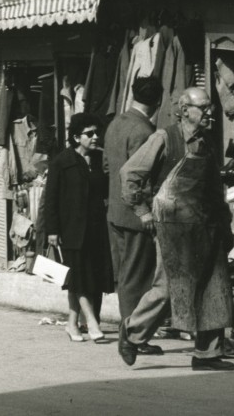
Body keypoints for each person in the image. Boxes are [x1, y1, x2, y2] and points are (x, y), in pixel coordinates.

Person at [117, 87, 234, 371]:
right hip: (173, 228)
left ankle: (208, 354)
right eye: (203, 108)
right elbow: (130, 175)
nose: (210, 113)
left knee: (213, 287)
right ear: (184, 110)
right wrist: (143, 213)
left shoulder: (206, 142)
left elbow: (213, 189)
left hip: (206, 224)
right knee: (169, 289)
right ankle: (132, 334)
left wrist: (225, 225)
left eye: (210, 108)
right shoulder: (164, 138)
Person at [103, 75, 165, 356]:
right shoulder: (144, 131)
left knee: (126, 274)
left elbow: (107, 164)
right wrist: (144, 210)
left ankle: (131, 333)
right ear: (158, 102)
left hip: (116, 211)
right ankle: (132, 335)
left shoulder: (116, 123)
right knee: (137, 277)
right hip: (136, 214)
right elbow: (141, 178)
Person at [43, 112, 112, 343]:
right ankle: (92, 323)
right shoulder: (61, 162)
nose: (95, 137)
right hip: (70, 230)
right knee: (79, 277)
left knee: (82, 277)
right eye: (89, 134)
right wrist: (52, 230)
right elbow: (50, 199)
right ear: (75, 137)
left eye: (96, 133)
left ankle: (72, 324)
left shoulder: (99, 161)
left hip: (95, 230)